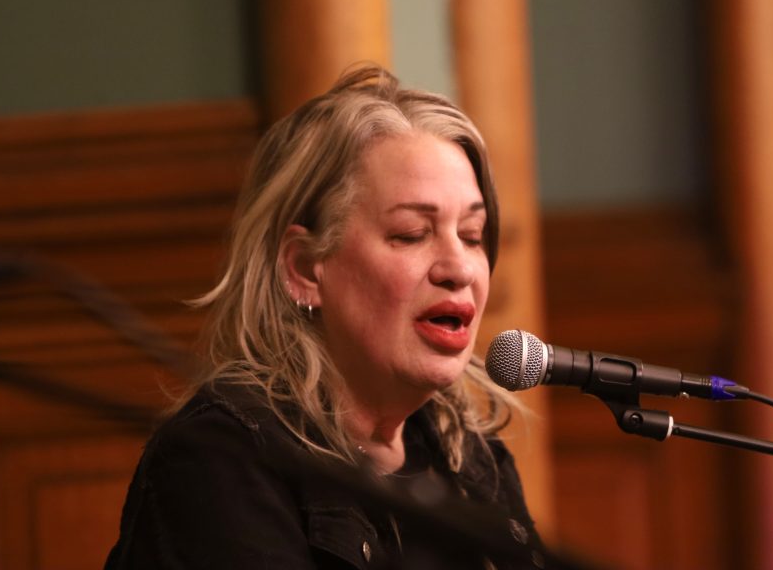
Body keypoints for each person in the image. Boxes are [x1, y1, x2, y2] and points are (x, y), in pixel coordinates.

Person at [104, 65, 544, 569]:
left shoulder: (475, 464)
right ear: (305, 268)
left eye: (471, 235)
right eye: (411, 234)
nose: (460, 268)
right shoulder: (224, 457)